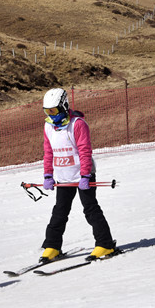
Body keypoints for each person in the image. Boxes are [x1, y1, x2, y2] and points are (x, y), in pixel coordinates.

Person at [39, 88, 117, 262]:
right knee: (59, 212)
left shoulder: (78, 124)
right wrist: (47, 175)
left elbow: (85, 151)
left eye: (54, 110)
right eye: (47, 111)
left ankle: (105, 244)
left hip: (82, 176)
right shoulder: (48, 127)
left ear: (64, 106)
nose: (51, 115)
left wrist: (86, 175)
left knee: (90, 209)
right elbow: (48, 152)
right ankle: (52, 246)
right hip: (63, 177)